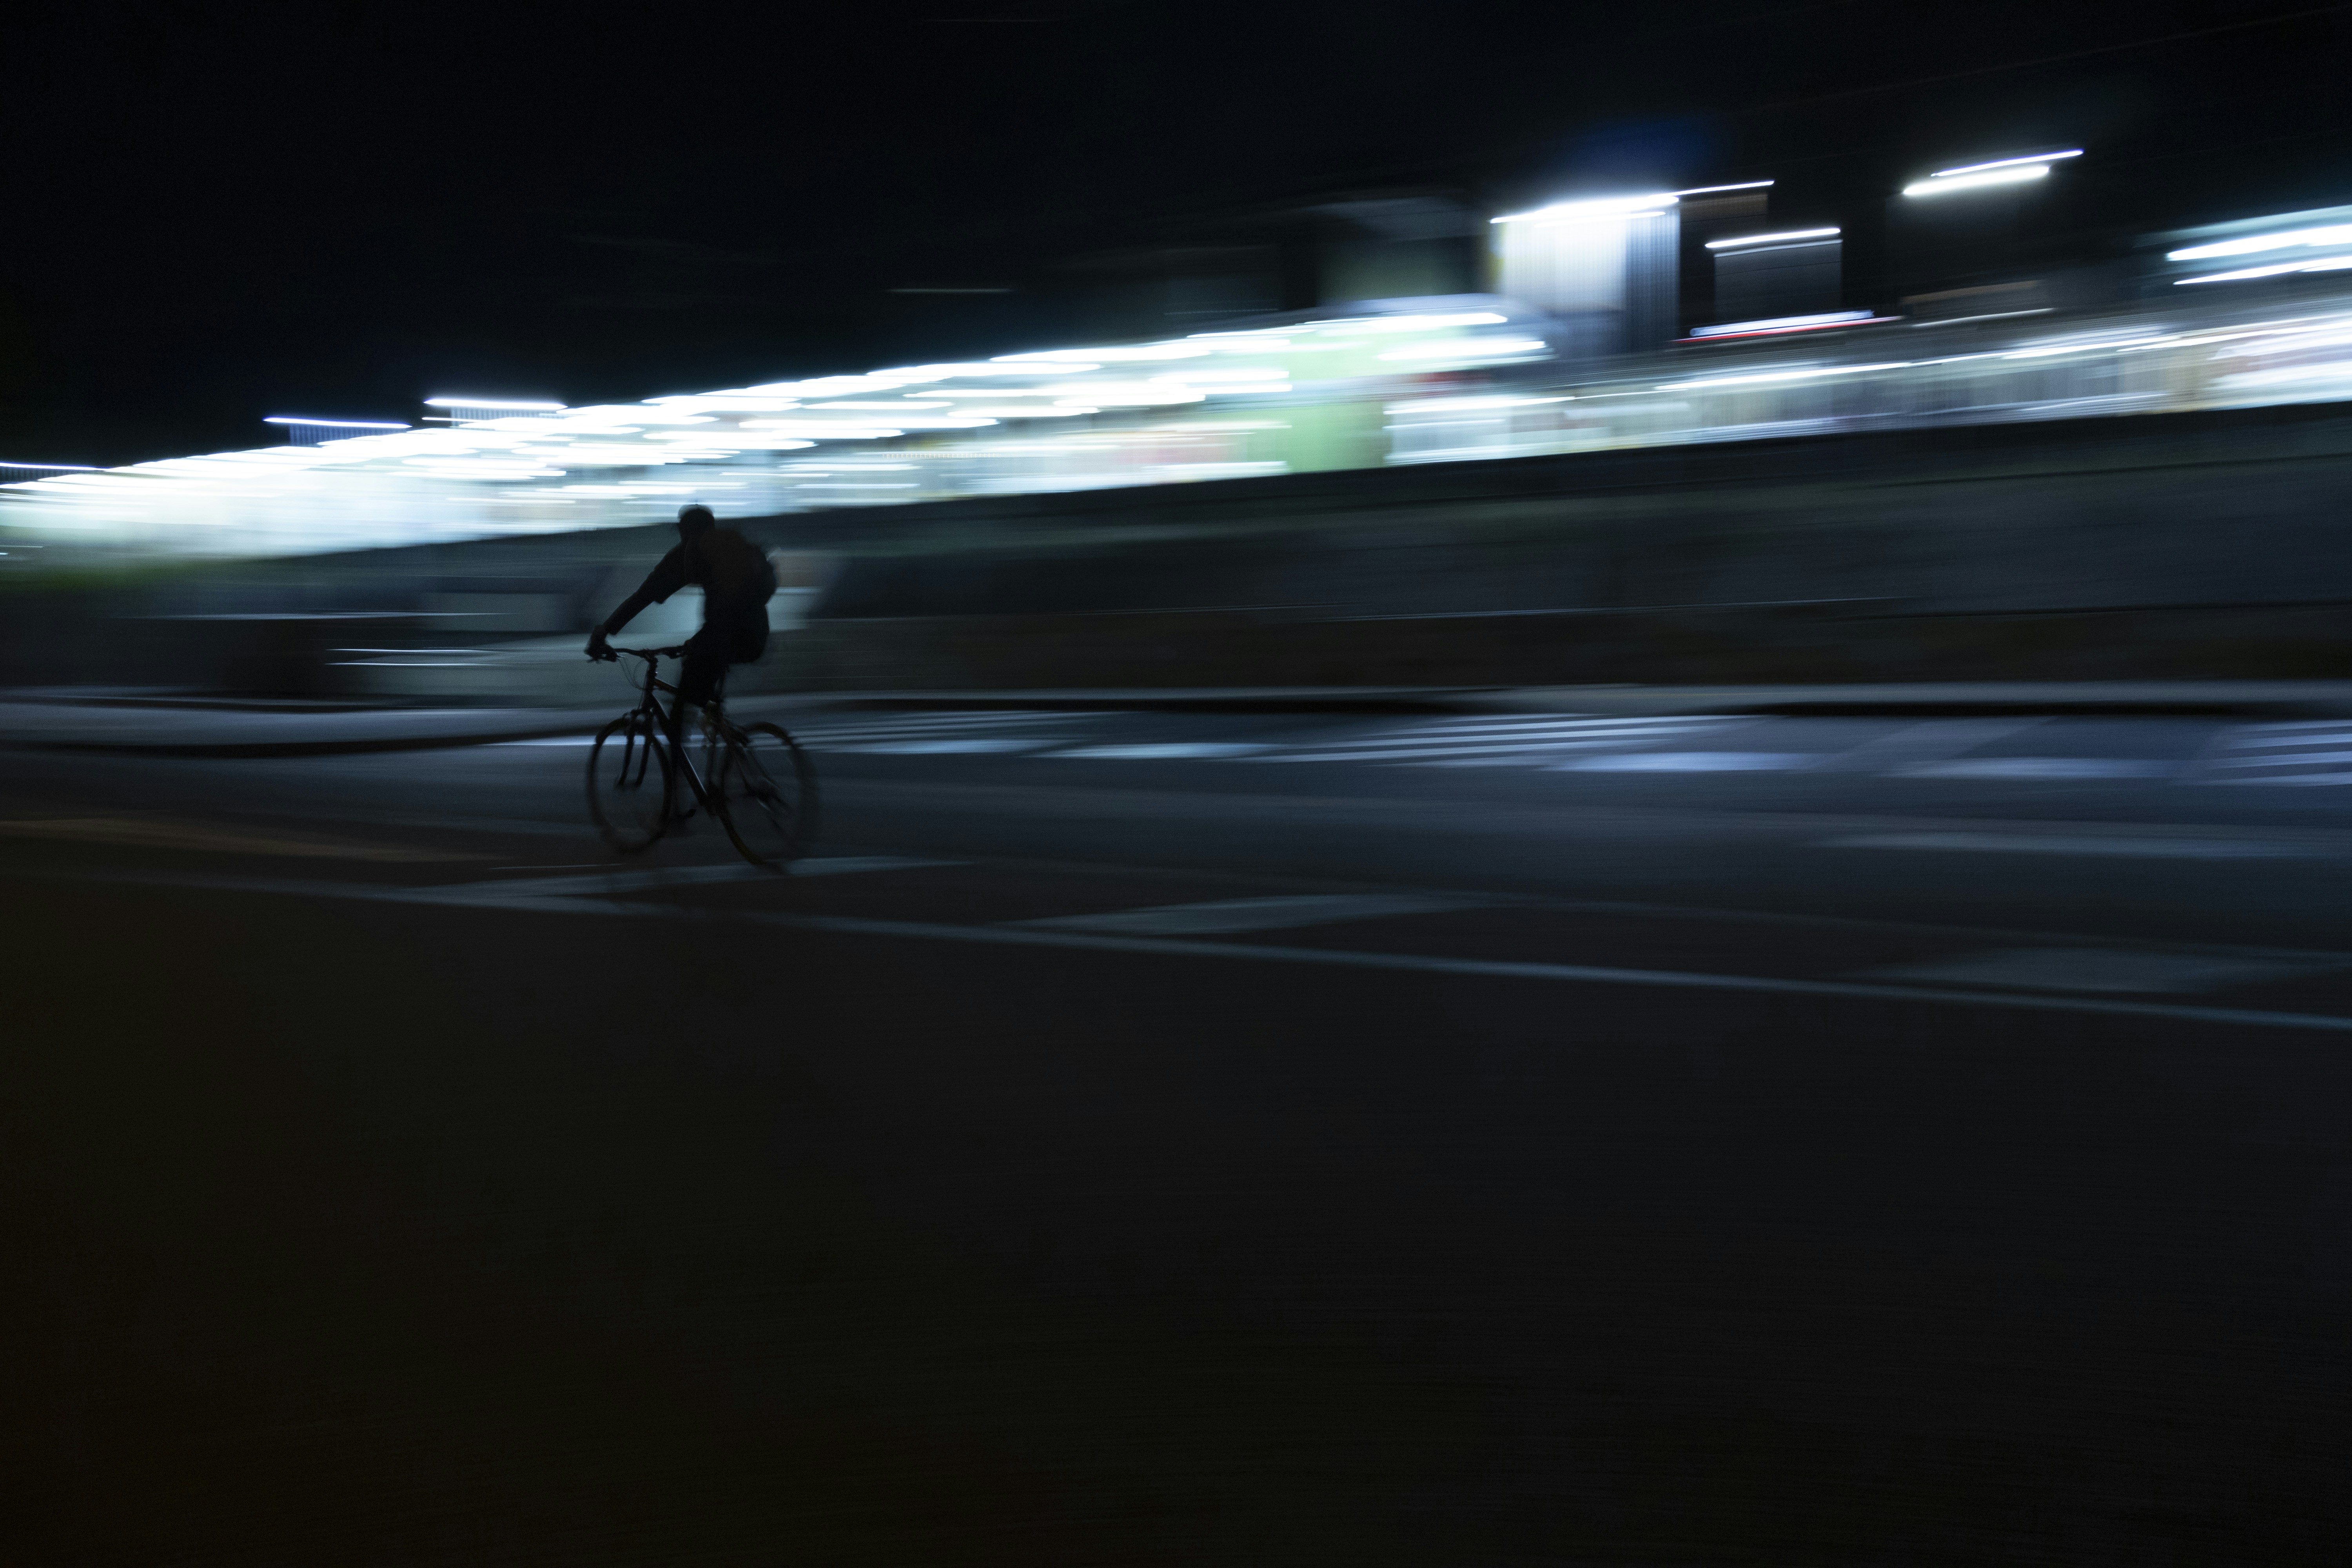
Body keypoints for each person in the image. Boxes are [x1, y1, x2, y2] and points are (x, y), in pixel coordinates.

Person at [586, 504, 775, 757]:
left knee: (679, 709)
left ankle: (675, 789)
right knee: (702, 682)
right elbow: (733, 607)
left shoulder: (689, 554)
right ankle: (726, 744)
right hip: (757, 635)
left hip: (725, 634)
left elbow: (643, 596)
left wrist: (604, 631)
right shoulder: (730, 550)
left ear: (682, 530)